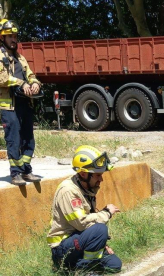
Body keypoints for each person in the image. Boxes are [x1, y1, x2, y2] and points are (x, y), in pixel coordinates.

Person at [47, 145, 122, 274]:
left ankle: (76, 266)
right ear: (83, 173)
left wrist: (102, 244)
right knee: (100, 229)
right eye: (98, 175)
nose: (101, 179)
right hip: (63, 248)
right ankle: (83, 270)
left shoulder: (87, 188)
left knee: (115, 265)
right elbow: (82, 224)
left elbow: (88, 224)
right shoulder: (69, 191)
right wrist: (106, 213)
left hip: (78, 242)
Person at [0, 19, 42, 185]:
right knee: (14, 139)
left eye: (15, 35)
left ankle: (26, 170)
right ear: (2, 38)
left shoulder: (20, 58)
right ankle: (15, 172)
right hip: (9, 106)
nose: (13, 39)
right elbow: (2, 78)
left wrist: (35, 84)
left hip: (25, 103)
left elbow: (30, 74)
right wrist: (21, 83)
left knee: (28, 139)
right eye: (9, 36)